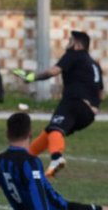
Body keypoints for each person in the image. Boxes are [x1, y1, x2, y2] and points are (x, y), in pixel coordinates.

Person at [18, 30, 103, 177]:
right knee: (50, 132)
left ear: (76, 44)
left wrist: (32, 77)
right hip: (89, 115)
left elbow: (53, 71)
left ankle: (56, 158)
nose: (67, 43)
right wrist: (95, 107)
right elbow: (101, 91)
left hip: (73, 103)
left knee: (55, 128)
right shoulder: (94, 64)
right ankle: (25, 159)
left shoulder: (73, 55)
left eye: (70, 41)